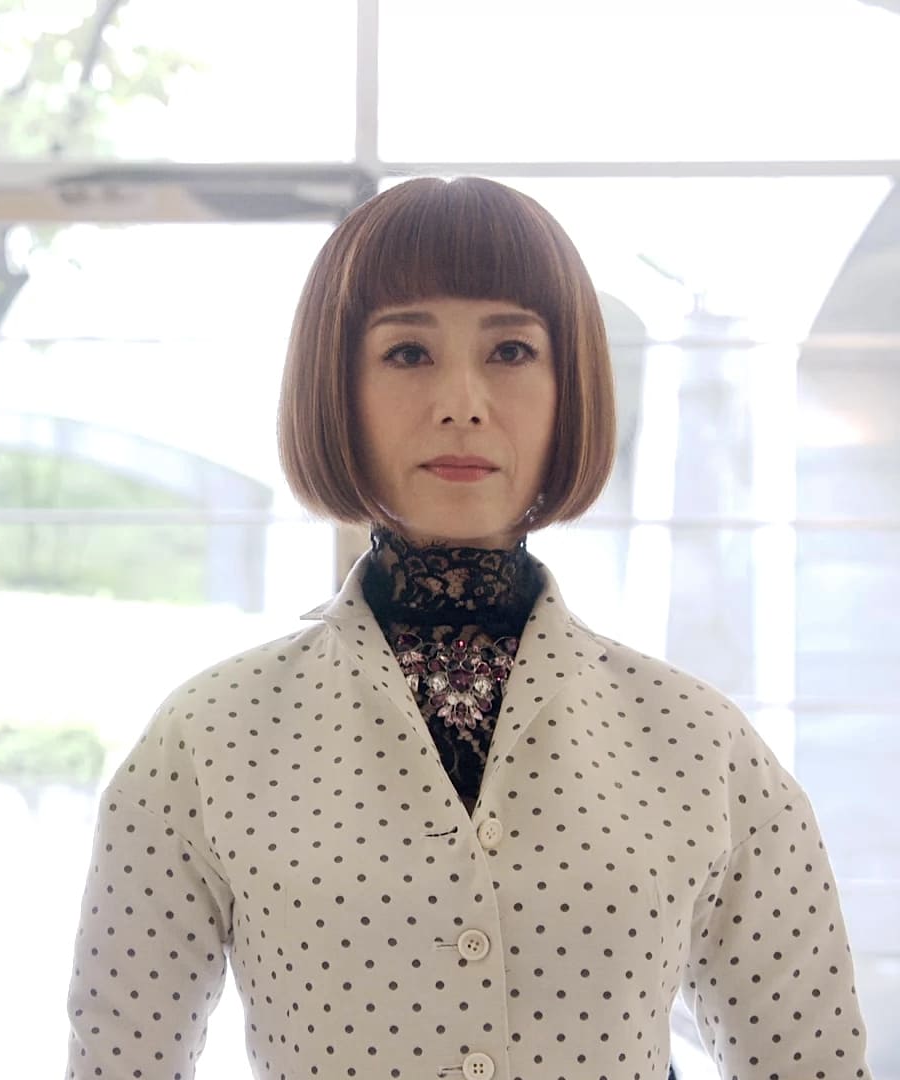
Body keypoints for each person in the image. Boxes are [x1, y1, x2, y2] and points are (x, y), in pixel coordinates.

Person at [64, 177, 869, 1080]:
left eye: (512, 350)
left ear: (570, 390)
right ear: (338, 388)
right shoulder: (209, 738)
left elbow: (812, 1057)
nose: (461, 401)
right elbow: (119, 1059)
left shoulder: (698, 744)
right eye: (407, 352)